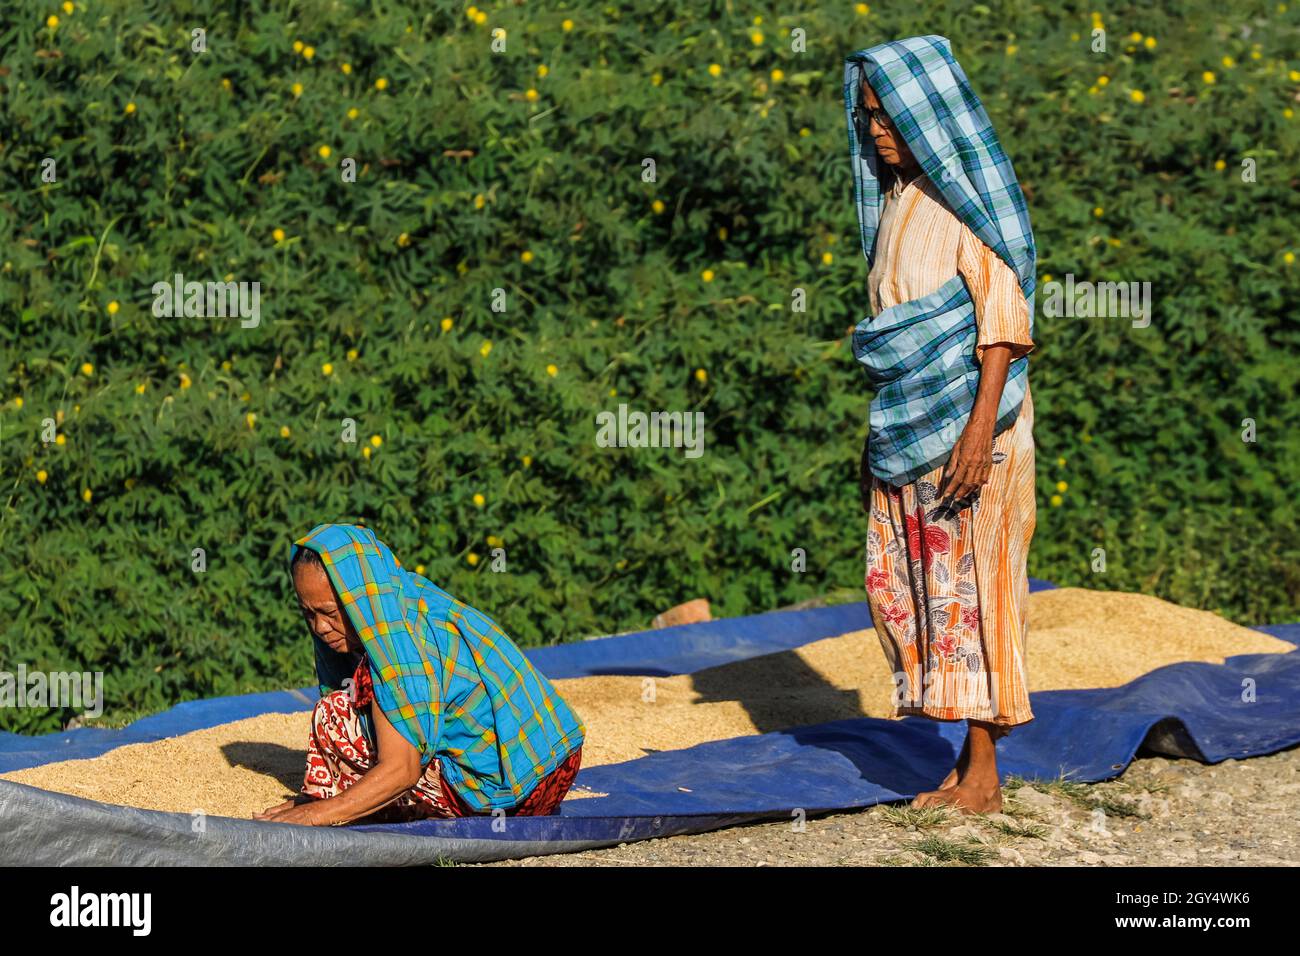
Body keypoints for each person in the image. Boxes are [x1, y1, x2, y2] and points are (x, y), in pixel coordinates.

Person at [843, 36, 1038, 814]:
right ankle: (962, 762)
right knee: (915, 588)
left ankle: (984, 776)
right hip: (908, 428)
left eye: (891, 119)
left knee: (978, 589)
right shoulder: (893, 205)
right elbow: (898, 333)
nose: (879, 133)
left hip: (972, 433)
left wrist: (977, 432)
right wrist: (878, 437)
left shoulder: (963, 205)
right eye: (868, 120)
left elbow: (1003, 319)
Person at [255, 522, 585, 825]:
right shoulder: (405, 597)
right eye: (307, 613)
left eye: (328, 612)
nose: (320, 627)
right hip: (553, 766)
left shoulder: (395, 647)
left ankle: (351, 797)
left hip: (508, 795)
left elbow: (402, 771)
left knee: (335, 715)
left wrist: (317, 812)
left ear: (358, 598)